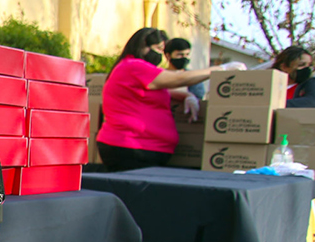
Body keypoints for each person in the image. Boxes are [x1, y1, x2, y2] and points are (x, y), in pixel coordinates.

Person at [96, 28, 240, 172]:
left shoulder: (132, 68)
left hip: (140, 148)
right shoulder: (134, 66)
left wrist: (187, 96)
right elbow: (177, 79)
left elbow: (165, 90)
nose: (160, 54)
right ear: (143, 46)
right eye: (158, 48)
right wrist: (219, 69)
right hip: (131, 148)